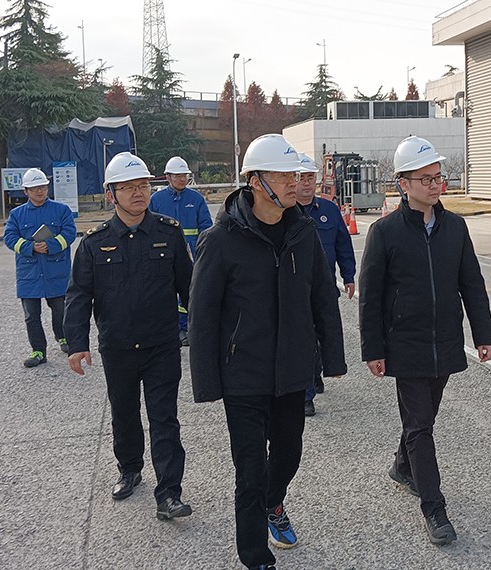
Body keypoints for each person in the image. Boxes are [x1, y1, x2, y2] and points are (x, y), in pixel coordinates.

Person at [188, 134, 346, 570]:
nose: (295, 182)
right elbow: (203, 315)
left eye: (296, 174)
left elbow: (322, 297)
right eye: (283, 175)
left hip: (292, 368)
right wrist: (207, 382)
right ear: (256, 182)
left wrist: (332, 358)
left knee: (289, 452)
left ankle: (273, 503)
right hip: (243, 373)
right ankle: (255, 556)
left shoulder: (303, 232)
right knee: (250, 469)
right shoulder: (221, 240)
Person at [359, 135, 491, 546]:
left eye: (438, 177)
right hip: (405, 344)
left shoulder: (455, 227)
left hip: (446, 339)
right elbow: (371, 296)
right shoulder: (384, 232)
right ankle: (434, 508)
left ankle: (403, 467)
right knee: (420, 426)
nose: (436, 185)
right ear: (403, 184)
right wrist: (373, 349)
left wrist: (483, 334)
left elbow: (472, 284)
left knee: (424, 419)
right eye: (426, 179)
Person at [64, 152, 194, 521]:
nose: (138, 193)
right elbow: (79, 295)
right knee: (124, 413)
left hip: (161, 345)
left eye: (143, 186)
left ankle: (169, 493)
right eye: (128, 187)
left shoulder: (168, 233)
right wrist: (77, 344)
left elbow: (190, 288)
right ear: (111, 194)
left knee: (164, 418)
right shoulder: (94, 242)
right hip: (118, 346)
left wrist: (206, 332)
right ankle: (129, 469)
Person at [294, 152, 356, 417]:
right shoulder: (284, 213)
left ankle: (315, 373)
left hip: (325, 287)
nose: (307, 183)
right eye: (302, 178)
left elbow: (343, 244)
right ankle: (306, 394)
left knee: (322, 335)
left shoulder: (328, 210)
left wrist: (349, 276)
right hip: (297, 289)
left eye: (311, 177)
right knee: (304, 339)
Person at [3, 168, 77, 368]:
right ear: (26, 191)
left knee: (60, 309)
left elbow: (70, 233)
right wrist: (30, 247)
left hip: (55, 271)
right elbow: (9, 238)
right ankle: (38, 351)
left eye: (43, 187)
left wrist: (51, 245)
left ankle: (63, 337)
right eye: (35, 188)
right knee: (31, 316)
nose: (40, 191)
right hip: (30, 273)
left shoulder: (61, 210)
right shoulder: (17, 214)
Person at [149, 156, 213, 346]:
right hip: (162, 253)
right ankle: (170, 328)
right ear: (167, 177)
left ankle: (186, 328)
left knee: (189, 290)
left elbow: (206, 227)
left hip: (191, 254)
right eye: (177, 176)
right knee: (164, 290)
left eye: (184, 175)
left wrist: (203, 251)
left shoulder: (196, 199)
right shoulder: (156, 200)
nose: (182, 179)